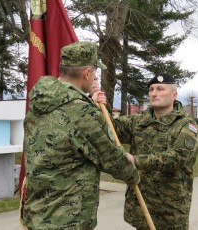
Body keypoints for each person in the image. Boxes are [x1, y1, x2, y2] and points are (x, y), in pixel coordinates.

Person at [22, 41, 139, 230]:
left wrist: (89, 105)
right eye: (94, 73)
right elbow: (112, 159)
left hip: (38, 214)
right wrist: (133, 175)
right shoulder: (81, 111)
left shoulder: (40, 102)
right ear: (87, 73)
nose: (94, 77)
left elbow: (69, 134)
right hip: (67, 220)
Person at [112, 73, 198, 230]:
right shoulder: (138, 121)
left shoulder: (185, 126)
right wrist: (96, 103)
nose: (153, 93)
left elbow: (177, 159)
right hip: (141, 206)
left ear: (174, 95)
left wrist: (136, 161)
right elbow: (108, 129)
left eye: (160, 89)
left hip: (169, 210)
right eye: (151, 89)